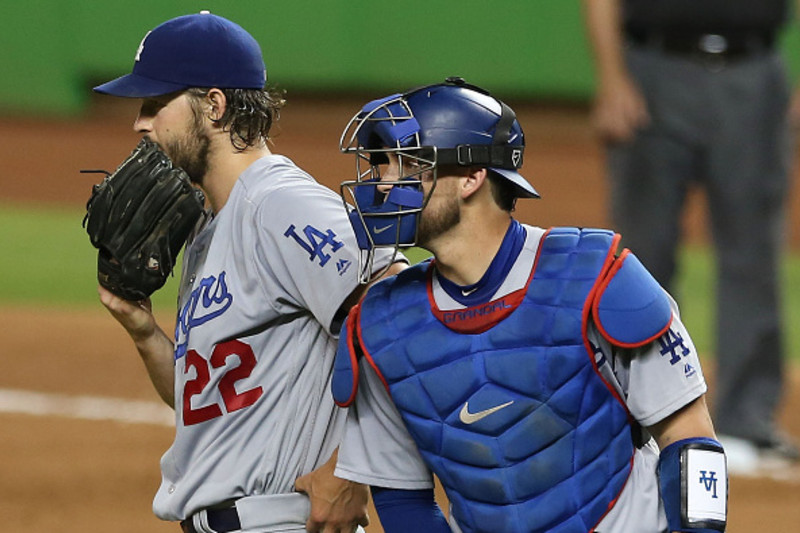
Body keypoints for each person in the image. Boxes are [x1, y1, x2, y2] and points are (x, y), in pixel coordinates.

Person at [330, 77, 728, 533]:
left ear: (471, 177)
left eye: (402, 166)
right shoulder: (383, 325)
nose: (380, 185)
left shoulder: (598, 279)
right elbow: (402, 499)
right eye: (380, 167)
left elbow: (691, 439)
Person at [92, 11, 404, 533]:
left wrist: (353, 470)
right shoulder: (209, 226)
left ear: (213, 105)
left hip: (280, 519)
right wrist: (144, 331)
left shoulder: (278, 202)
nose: (139, 124)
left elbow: (403, 313)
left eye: (154, 105)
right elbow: (213, 406)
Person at [581, 0, 800, 473]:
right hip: (651, 71)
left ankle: (746, 421)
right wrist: (612, 77)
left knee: (753, 255)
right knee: (640, 262)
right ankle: (636, 417)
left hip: (755, 74)